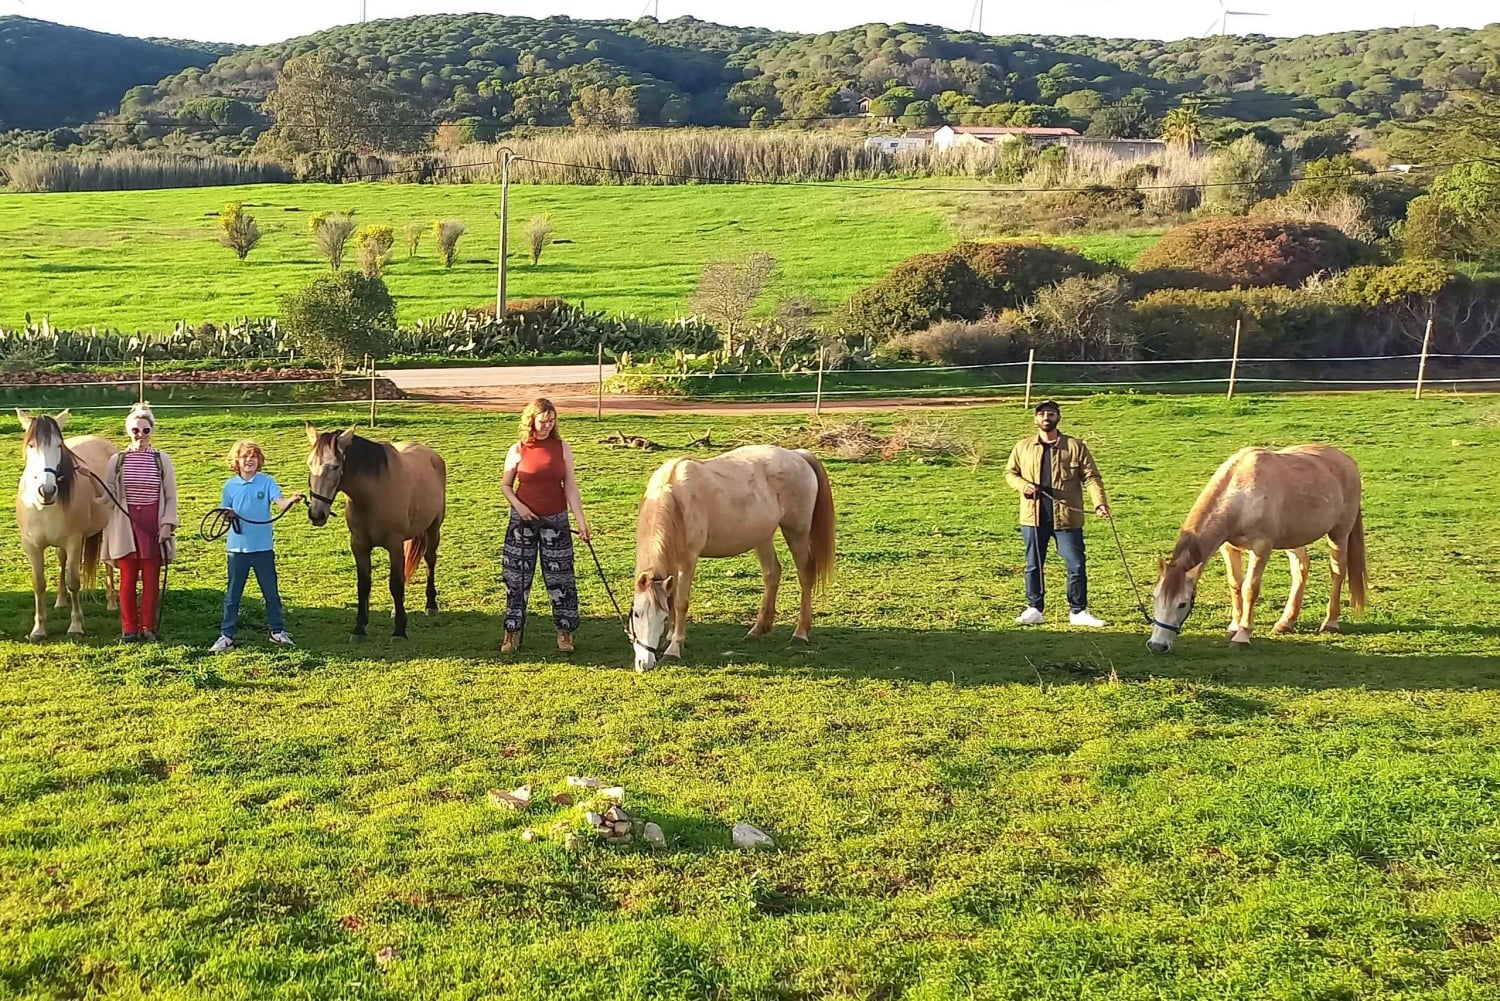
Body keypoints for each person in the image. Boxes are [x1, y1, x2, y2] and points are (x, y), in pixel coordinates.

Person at [1004, 400, 1111, 627]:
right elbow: (1010, 473)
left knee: (1076, 564)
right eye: (1042, 414)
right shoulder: (1022, 446)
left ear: (1058, 417)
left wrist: (1099, 503)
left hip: (1067, 518)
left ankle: (1078, 611)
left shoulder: (1075, 446)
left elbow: (1091, 478)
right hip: (1033, 517)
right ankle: (1034, 609)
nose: (1046, 417)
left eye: (1051, 414)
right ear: (1035, 419)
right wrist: (1023, 486)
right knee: (1033, 564)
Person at [499, 398, 591, 653]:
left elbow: (570, 485)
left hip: (556, 520)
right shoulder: (517, 449)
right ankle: (511, 632)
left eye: (552, 421)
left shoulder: (562, 448)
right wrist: (520, 507)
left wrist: (581, 521)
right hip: (523, 522)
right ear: (531, 421)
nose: (548, 425)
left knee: (561, 579)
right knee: (516, 578)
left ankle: (565, 633)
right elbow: (505, 486)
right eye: (543, 421)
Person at [210, 440, 305, 653]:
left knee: (271, 593)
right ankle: (227, 635)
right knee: (233, 596)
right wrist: (228, 514)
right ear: (237, 461)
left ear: (259, 460)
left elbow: (280, 503)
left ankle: (277, 631)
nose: (249, 460)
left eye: (253, 456)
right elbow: (224, 513)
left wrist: (291, 500)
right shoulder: (230, 486)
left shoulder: (267, 482)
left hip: (262, 548)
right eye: (245, 456)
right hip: (237, 550)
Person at [104, 402, 179, 641]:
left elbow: (170, 495)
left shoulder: (161, 459)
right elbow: (108, 495)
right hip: (126, 526)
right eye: (136, 430)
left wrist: (167, 525)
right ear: (129, 431)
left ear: (152, 431)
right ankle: (129, 628)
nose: (141, 435)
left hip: (153, 525)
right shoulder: (117, 460)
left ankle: (148, 627)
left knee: (151, 581)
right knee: (127, 580)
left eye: (145, 430)